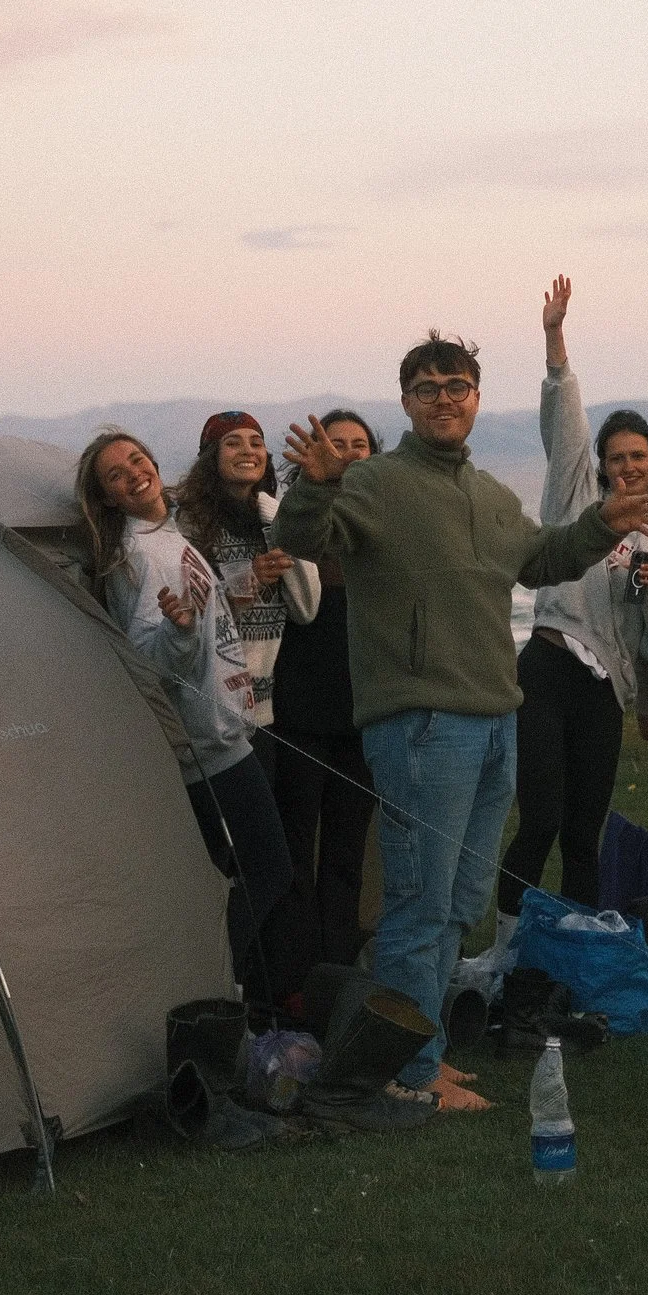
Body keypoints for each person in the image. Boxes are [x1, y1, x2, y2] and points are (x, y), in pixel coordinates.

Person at [273, 330, 648, 1112]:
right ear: (406, 402)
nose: (444, 396)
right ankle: (405, 1071)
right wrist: (319, 485)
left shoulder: (490, 495)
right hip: (422, 724)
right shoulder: (375, 483)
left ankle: (420, 1050)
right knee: (420, 903)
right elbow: (300, 540)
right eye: (427, 386)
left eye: (456, 384)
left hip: (497, 721)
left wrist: (605, 521)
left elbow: (545, 557)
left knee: (460, 904)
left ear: (477, 398)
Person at [499, 277, 648, 941]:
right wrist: (556, 341)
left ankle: (576, 953)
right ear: (601, 464)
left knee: (585, 833)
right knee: (542, 819)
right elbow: (566, 417)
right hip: (549, 670)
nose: (627, 467)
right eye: (616, 457)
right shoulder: (574, 491)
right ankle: (506, 947)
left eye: (638, 456)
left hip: (604, 692)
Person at [75, 430, 295, 1007]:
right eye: (115, 476)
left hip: (224, 728)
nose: (134, 474)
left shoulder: (169, 536)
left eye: (136, 460)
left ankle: (215, 998)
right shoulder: (138, 556)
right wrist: (177, 633)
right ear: (109, 498)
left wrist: (235, 593)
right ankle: (210, 988)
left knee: (222, 877)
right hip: (207, 745)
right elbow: (150, 655)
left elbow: (205, 616)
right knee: (269, 870)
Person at [266, 410, 381, 998]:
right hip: (302, 710)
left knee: (347, 849)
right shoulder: (293, 520)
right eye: (338, 444)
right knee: (296, 848)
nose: (350, 453)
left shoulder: (382, 521)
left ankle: (339, 974)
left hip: (364, 712)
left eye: (361, 445)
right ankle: (295, 980)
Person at [171, 412, 320, 735]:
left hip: (266, 706)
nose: (248, 451)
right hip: (213, 706)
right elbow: (187, 613)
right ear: (212, 457)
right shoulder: (191, 523)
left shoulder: (271, 519)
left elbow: (306, 609)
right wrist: (246, 578)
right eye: (233, 443)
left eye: (256, 443)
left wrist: (285, 530)